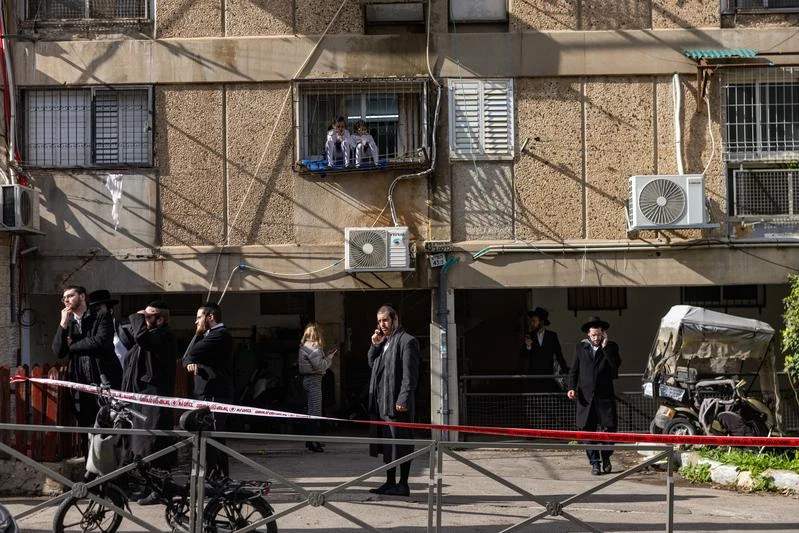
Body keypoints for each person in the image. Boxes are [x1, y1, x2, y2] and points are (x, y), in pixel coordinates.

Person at [52, 288, 123, 456]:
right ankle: (89, 475)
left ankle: (112, 476)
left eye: (70, 296)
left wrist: (73, 346)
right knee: (86, 430)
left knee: (109, 430)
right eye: (64, 298)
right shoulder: (69, 323)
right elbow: (58, 351)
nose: (66, 300)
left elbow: (101, 341)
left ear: (82, 296)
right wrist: (63, 324)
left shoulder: (100, 316)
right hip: (80, 384)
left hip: (104, 382)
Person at [121, 300, 178, 503]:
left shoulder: (163, 336)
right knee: (142, 447)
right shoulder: (148, 338)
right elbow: (134, 340)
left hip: (155, 401)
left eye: (148, 317)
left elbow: (142, 339)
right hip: (141, 400)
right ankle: (148, 487)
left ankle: (160, 490)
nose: (143, 320)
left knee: (154, 445)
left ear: (160, 319)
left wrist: (137, 317)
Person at [367, 304, 421, 497]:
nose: (382, 324)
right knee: (388, 446)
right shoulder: (384, 341)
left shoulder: (407, 341)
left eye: (386, 320)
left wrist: (403, 398)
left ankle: (403, 484)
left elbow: (410, 375)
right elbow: (372, 364)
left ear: (395, 319)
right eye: (379, 321)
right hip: (382, 403)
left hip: (398, 405)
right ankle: (390, 482)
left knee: (402, 444)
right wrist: (375, 345)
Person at [182, 301, 234, 477]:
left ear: (210, 317)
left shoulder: (220, 335)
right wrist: (189, 362)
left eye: (198, 318)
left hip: (215, 394)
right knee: (207, 438)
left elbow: (192, 351)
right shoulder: (209, 334)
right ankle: (213, 477)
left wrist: (190, 356)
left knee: (214, 438)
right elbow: (186, 357)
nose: (196, 322)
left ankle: (218, 478)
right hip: (205, 393)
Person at [567, 316, 621, 476]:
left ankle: (606, 457)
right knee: (586, 430)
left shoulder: (611, 347)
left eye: (599, 335)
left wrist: (604, 348)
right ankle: (595, 462)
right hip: (586, 397)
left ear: (604, 333)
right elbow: (574, 370)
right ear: (588, 335)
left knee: (608, 429)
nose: (596, 338)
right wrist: (571, 387)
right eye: (593, 335)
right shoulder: (580, 347)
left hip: (605, 397)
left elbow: (615, 367)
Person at [298, 322, 336, 453]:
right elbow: (320, 366)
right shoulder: (314, 347)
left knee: (311, 412)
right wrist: (329, 358)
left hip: (308, 380)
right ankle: (314, 442)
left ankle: (310, 441)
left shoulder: (304, 346)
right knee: (315, 413)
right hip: (314, 380)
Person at [520, 307, 569, 393]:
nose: (531, 324)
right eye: (531, 321)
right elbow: (523, 355)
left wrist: (565, 371)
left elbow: (558, 354)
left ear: (541, 322)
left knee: (548, 401)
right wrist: (528, 347)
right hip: (534, 376)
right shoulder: (529, 336)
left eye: (534, 321)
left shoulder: (552, 336)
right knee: (535, 402)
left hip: (548, 376)